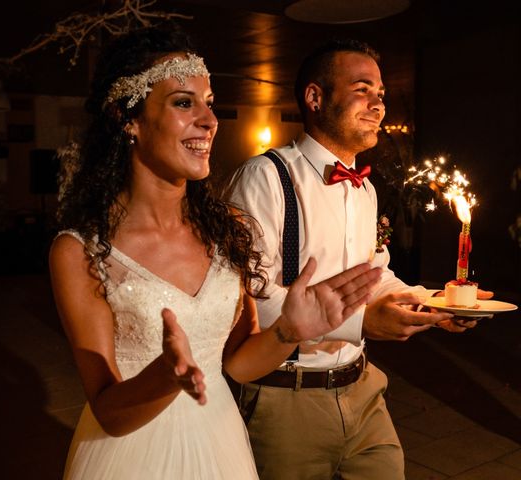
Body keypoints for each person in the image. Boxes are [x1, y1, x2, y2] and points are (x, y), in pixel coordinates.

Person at [49, 26, 382, 480]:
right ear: (129, 120)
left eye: (209, 102)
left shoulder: (228, 230)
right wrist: (165, 376)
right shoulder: (82, 251)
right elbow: (109, 412)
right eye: (184, 102)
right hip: (132, 456)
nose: (209, 119)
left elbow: (239, 364)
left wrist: (289, 331)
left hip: (220, 440)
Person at [225, 38, 493, 480]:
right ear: (315, 97)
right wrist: (362, 323)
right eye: (362, 89)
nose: (378, 105)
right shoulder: (264, 177)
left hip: (363, 388)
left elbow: (375, 275)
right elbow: (245, 303)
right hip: (284, 396)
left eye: (381, 95)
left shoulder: (364, 189)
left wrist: (434, 303)